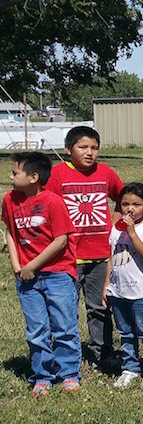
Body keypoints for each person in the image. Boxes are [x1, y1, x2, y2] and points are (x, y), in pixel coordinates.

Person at [47, 126, 124, 372]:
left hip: (101, 255)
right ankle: (63, 356)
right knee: (64, 308)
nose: (89, 153)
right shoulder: (56, 174)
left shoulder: (105, 173)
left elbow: (124, 199)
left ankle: (104, 353)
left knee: (100, 308)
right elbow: (45, 206)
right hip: (67, 256)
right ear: (68, 149)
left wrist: (115, 225)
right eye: (83, 147)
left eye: (94, 148)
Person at [6, 152, 80, 395]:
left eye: (15, 173)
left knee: (64, 327)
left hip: (57, 274)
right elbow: (10, 231)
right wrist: (18, 266)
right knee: (37, 329)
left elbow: (60, 241)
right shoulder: (9, 199)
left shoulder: (53, 202)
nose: (10, 176)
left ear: (33, 177)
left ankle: (68, 373)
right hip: (27, 277)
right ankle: (42, 375)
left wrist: (32, 266)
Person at [104, 183, 143, 389]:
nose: (130, 209)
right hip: (118, 289)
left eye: (136, 204)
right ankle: (130, 367)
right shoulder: (115, 229)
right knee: (125, 332)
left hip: (140, 290)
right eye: (125, 204)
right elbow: (111, 258)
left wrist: (131, 231)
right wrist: (106, 286)